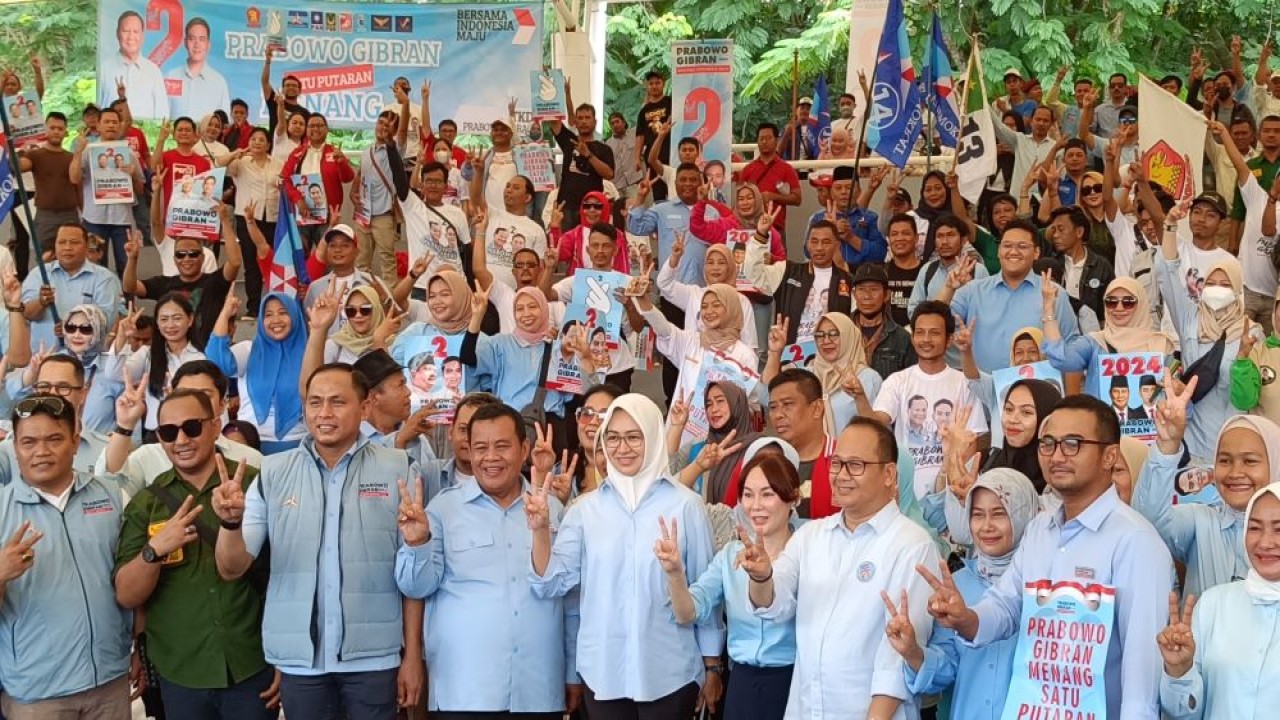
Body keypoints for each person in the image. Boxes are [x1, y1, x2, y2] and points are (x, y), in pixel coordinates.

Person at [919, 394, 1172, 720]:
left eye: (1072, 444)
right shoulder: (1040, 529)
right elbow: (1005, 606)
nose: (1057, 455)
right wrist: (964, 618)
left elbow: (1142, 679)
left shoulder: (1136, 542)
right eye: (1048, 444)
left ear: (1109, 456)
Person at [212, 364, 424, 719]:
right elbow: (232, 567)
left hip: (374, 658)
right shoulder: (273, 472)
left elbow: (414, 578)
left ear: (365, 407)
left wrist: (412, 656)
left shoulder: (399, 468)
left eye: (337, 402)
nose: (324, 413)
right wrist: (229, 523)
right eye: (315, 402)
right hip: (301, 663)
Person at [529, 394, 724, 718]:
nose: (622, 448)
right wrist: (539, 531)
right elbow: (550, 584)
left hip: (671, 672)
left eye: (634, 437)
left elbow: (705, 592)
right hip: (603, 672)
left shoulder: (686, 506)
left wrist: (713, 665)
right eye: (613, 438)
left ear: (653, 437)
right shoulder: (584, 510)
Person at [742, 416, 941, 718]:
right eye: (836, 463)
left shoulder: (912, 545)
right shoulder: (811, 536)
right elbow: (774, 605)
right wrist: (761, 577)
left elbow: (897, 660)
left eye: (855, 465)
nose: (841, 475)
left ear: (889, 474)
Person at [396, 403, 577, 718]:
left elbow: (571, 600)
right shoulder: (442, 510)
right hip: (465, 691)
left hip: (537, 688)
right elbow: (416, 588)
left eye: (502, 446)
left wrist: (572, 671)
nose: (490, 457)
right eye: (480, 448)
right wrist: (416, 543)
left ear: (523, 450)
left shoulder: (552, 510)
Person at [113, 388, 278, 719]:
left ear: (215, 426)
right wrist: (154, 550)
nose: (181, 440)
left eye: (192, 427)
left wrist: (288, 658)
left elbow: (289, 576)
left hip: (252, 663)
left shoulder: (256, 484)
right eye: (168, 432)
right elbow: (127, 595)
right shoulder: (148, 502)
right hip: (180, 671)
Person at [0, 394, 132, 717]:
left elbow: (132, 582)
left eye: (54, 439)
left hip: (110, 681)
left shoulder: (111, 496)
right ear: (14, 448)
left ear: (75, 442)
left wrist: (138, 647)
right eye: (29, 442)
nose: (41, 451)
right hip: (36, 694)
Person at [655, 452, 800, 720]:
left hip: (793, 682)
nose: (756, 505)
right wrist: (675, 573)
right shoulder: (731, 554)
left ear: (793, 497)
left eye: (767, 494)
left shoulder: (809, 550)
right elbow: (687, 612)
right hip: (741, 683)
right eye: (748, 495)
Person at [886, 468, 1039, 720]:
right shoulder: (958, 585)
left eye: (999, 513)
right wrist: (913, 652)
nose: (986, 526)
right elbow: (946, 668)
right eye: (977, 515)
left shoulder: (1044, 585)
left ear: (1025, 514)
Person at [1135, 373, 1280, 596]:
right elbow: (1148, 521)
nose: (1235, 473)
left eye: (1250, 461)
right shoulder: (1201, 521)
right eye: (1224, 461)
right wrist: (1168, 444)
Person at [1157, 484, 1280, 719]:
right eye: (1255, 528)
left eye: (1279, 529)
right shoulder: (1213, 605)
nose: (1265, 542)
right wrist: (1180, 671)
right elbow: (1183, 714)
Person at [873, 301, 988, 500]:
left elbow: (971, 442)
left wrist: (956, 485)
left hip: (951, 493)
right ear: (912, 337)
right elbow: (878, 421)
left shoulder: (964, 383)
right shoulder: (896, 381)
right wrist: (859, 397)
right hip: (906, 496)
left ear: (949, 339)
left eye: (934, 333)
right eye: (920, 332)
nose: (926, 339)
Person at [1157, 207, 1245, 459]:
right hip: (1191, 436)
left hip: (1232, 438)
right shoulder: (1190, 319)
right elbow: (1168, 274)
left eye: (1225, 285)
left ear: (1237, 290)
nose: (1217, 289)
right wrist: (1170, 225)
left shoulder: (1249, 332)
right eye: (1211, 283)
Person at [101, 360, 263, 496]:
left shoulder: (251, 459)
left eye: (204, 395)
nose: (193, 402)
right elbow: (109, 487)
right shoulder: (147, 457)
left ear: (223, 403)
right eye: (184, 393)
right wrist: (125, 425)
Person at [949, 219, 1079, 373]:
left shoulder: (1053, 293)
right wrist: (948, 288)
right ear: (998, 251)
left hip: (1037, 385)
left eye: (1022, 246)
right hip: (982, 385)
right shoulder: (972, 291)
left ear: (1036, 252)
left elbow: (1071, 347)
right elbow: (936, 323)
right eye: (1007, 246)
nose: (1013, 251)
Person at [631, 284, 757, 425]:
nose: (709, 311)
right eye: (704, 307)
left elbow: (751, 402)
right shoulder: (691, 341)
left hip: (725, 432)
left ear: (732, 308)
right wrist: (645, 303)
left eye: (716, 305)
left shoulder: (745, 355)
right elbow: (665, 331)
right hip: (682, 428)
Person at [207, 292, 307, 454]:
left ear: (295, 316)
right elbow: (216, 362)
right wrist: (225, 313)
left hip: (297, 445)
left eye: (283, 313)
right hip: (249, 444)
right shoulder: (249, 350)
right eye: (268, 315)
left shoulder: (310, 353)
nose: (276, 320)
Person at [763, 312, 883, 437]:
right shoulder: (806, 376)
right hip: (810, 449)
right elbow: (766, 395)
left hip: (852, 449)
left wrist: (859, 396)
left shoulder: (869, 378)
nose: (826, 341)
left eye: (833, 334)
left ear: (848, 337)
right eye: (820, 335)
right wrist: (774, 353)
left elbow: (879, 431)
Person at [1044, 277, 1173, 390]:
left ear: (1141, 304)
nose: (1119, 308)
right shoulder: (1094, 343)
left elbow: (1174, 391)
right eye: (1111, 302)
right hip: (1100, 412)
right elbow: (1061, 359)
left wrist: (1177, 388)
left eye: (1128, 302)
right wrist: (1049, 310)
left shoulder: (1161, 344)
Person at [743, 220, 853, 346]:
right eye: (814, 241)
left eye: (826, 242)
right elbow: (753, 274)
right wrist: (760, 235)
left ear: (837, 245)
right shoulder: (788, 271)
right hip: (790, 354)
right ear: (807, 244)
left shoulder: (848, 280)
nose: (819, 248)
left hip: (831, 351)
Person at [113, 293, 206, 439]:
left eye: (177, 318)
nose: (170, 325)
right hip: (156, 435)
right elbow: (115, 373)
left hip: (193, 433)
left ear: (190, 320)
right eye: (164, 319)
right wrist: (122, 337)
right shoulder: (148, 354)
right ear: (157, 323)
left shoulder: (202, 356)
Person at [19, 223, 122, 352]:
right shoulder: (39, 274)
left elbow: (106, 321)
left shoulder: (105, 278)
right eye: (62, 242)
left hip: (87, 358)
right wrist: (41, 302)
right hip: (43, 357)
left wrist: (72, 327)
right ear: (55, 246)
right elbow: (26, 314)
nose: (67, 247)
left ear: (86, 247)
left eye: (74, 242)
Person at [69, 108, 144, 273]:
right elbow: (74, 178)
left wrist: (133, 176)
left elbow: (140, 190)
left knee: (126, 265)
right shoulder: (88, 150)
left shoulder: (129, 153)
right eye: (107, 122)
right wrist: (78, 152)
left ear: (120, 126)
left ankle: (126, 291)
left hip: (122, 219)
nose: (111, 125)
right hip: (94, 218)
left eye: (115, 122)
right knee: (95, 267)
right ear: (98, 125)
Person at [352, 99, 411, 288]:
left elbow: (403, 132)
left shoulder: (395, 149)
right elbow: (360, 175)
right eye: (381, 123)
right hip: (364, 214)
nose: (383, 128)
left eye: (388, 125)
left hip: (384, 214)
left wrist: (406, 103)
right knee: (361, 260)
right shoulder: (366, 151)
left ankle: (390, 298)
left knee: (387, 260)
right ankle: (361, 294)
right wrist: (353, 193)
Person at [227, 128, 283, 318]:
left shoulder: (278, 163)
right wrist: (235, 154)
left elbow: (285, 185)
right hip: (247, 218)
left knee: (272, 261)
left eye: (261, 140)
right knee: (251, 263)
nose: (257, 142)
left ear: (268, 145)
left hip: (273, 218)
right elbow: (221, 164)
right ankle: (253, 307)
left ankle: (275, 304)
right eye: (253, 139)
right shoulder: (240, 162)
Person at [280, 113, 356, 251]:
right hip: (302, 215)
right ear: (307, 129)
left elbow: (348, 178)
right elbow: (285, 179)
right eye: (311, 126)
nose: (315, 129)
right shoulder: (297, 153)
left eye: (319, 125)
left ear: (327, 129)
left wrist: (341, 163)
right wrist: (298, 199)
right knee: (301, 256)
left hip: (328, 217)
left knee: (327, 256)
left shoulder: (334, 152)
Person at [547, 87, 615, 229]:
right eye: (580, 118)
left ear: (595, 122)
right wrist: (553, 87)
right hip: (566, 206)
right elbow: (554, 120)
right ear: (575, 122)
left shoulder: (604, 149)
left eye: (587, 118)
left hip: (591, 207)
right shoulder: (569, 141)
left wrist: (588, 155)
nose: (584, 121)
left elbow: (609, 174)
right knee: (565, 242)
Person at [15, 111, 80, 255]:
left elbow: (77, 182)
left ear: (66, 132)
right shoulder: (35, 155)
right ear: (45, 129)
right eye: (52, 128)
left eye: (60, 128)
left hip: (70, 215)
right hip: (45, 216)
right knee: (44, 258)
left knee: (71, 257)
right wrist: (15, 148)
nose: (56, 131)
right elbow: (18, 167)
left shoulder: (71, 157)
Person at [849, 264, 918, 380]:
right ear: (854, 294)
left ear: (887, 295)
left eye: (874, 289)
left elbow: (911, 380)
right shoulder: (842, 332)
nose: (867, 296)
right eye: (861, 289)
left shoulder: (902, 339)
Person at [739, 124, 802, 236]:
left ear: (776, 140)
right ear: (757, 141)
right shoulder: (747, 170)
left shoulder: (787, 169)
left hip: (776, 229)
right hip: (750, 228)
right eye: (761, 138)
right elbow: (738, 199)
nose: (765, 141)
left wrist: (774, 196)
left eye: (769, 138)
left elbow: (797, 199)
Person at [100, 10, 166, 116]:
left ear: (142, 36)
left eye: (135, 32)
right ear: (117, 34)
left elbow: (162, 113)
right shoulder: (103, 69)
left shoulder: (153, 72)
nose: (131, 37)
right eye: (126, 31)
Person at [167, 17, 230, 120]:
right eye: (192, 39)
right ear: (185, 43)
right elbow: (163, 115)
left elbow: (224, 122)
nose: (197, 44)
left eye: (202, 39)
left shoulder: (219, 82)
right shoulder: (171, 77)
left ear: (208, 45)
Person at [260, 52, 309, 143]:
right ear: (282, 89)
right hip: (275, 148)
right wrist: (267, 61)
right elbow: (265, 82)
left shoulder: (305, 113)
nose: (291, 87)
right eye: (288, 85)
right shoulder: (275, 102)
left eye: (294, 86)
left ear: (299, 91)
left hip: (295, 150)